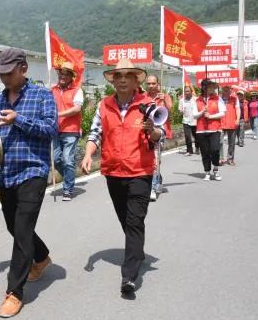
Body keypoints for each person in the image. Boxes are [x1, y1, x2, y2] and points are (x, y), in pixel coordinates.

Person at [0, 47, 56, 318]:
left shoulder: (42, 95)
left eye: (9, 73)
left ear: (23, 69)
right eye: (1, 74)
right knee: (14, 225)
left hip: (33, 170)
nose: (4, 78)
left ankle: (14, 292)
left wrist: (18, 119)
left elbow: (50, 129)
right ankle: (41, 257)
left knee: (21, 229)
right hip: (6, 172)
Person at [80, 58, 163, 295]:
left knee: (134, 221)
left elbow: (160, 135)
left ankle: (129, 276)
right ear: (113, 81)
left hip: (140, 171)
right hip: (113, 172)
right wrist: (88, 155)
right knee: (126, 220)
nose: (123, 80)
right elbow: (95, 133)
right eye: (119, 76)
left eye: (128, 76)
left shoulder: (147, 104)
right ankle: (137, 253)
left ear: (136, 80)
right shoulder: (104, 105)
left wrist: (152, 130)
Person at [50, 61, 83, 201]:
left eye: (66, 74)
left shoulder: (77, 90)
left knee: (67, 160)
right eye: (61, 74)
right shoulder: (52, 90)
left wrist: (59, 114)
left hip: (70, 130)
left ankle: (68, 189)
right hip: (55, 129)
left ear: (71, 77)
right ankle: (70, 178)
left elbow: (77, 109)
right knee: (56, 159)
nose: (62, 76)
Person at [144, 74, 172, 201]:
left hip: (159, 131)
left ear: (158, 84)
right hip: (145, 132)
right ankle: (157, 180)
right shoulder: (143, 97)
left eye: (153, 83)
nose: (151, 86)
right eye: (148, 83)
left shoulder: (164, 96)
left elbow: (170, 111)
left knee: (156, 160)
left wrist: (164, 100)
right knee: (149, 160)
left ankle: (153, 188)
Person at [195, 79, 225, 181]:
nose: (212, 89)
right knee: (205, 152)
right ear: (204, 88)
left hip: (215, 129)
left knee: (215, 149)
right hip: (201, 130)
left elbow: (222, 113)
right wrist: (202, 112)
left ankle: (216, 169)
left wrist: (210, 116)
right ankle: (207, 171)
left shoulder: (218, 99)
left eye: (213, 87)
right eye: (210, 87)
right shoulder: (197, 100)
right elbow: (194, 115)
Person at [219, 85, 240, 166]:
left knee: (231, 142)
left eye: (228, 88)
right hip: (221, 123)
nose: (226, 90)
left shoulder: (235, 98)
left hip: (232, 123)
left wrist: (237, 119)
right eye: (225, 88)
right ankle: (220, 158)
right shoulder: (219, 99)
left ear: (231, 90)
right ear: (222, 89)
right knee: (219, 142)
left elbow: (238, 109)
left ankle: (230, 158)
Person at [178, 85, 199, 156]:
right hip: (186, 121)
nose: (187, 93)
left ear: (191, 92)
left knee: (196, 136)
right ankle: (189, 151)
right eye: (185, 91)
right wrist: (181, 111)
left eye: (188, 91)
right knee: (187, 136)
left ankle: (197, 147)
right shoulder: (182, 100)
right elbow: (180, 110)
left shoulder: (196, 99)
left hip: (195, 120)